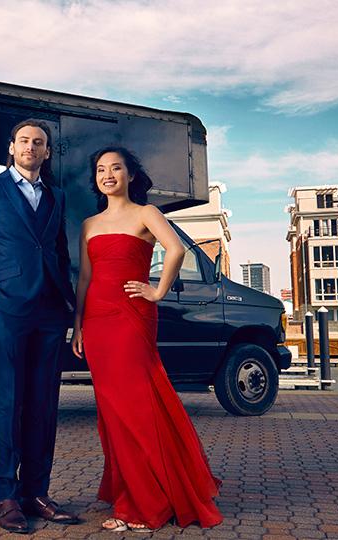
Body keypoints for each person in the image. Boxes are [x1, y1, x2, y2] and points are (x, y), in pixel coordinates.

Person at [71, 146, 223, 533]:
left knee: (137, 405)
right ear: (96, 179)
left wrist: (157, 291)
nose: (108, 175)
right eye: (101, 170)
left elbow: (175, 249)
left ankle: (147, 503)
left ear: (130, 175)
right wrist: (78, 323)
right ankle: (133, 490)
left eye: (116, 168)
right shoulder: (89, 224)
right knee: (111, 411)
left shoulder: (147, 214)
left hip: (131, 317)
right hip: (97, 320)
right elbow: (85, 279)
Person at [0, 119, 79, 534]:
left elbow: (59, 252)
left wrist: (67, 302)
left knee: (44, 404)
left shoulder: (56, 196)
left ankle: (37, 492)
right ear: (11, 148)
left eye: (39, 142)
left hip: (49, 313)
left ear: (47, 153)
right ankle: (7, 497)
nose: (31, 147)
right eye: (24, 141)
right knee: (8, 402)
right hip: (6, 311)